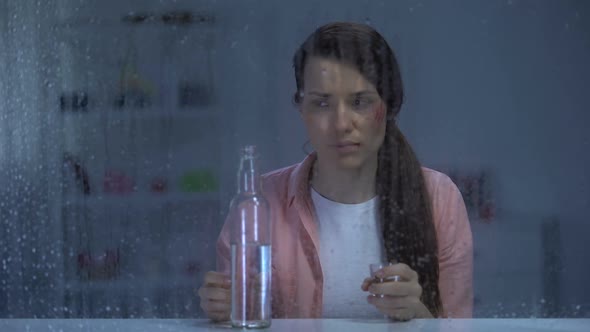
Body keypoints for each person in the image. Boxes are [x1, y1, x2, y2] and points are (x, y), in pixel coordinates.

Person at [198, 21, 473, 321]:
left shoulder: (439, 198)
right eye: (322, 103)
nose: (341, 124)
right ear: (301, 109)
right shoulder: (258, 203)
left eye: (360, 102)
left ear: (390, 105)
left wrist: (417, 314)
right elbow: (239, 318)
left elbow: (458, 324)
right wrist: (224, 310)